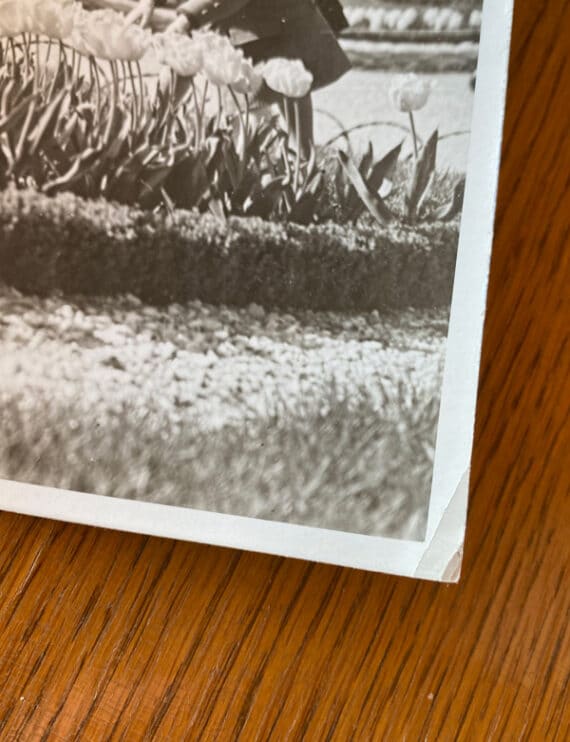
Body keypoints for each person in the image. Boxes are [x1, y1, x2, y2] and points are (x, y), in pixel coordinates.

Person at [144, 0, 352, 155]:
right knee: (178, 65)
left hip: (274, 28)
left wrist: (187, 19)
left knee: (259, 124)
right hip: (239, 22)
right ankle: (149, 142)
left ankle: (292, 191)